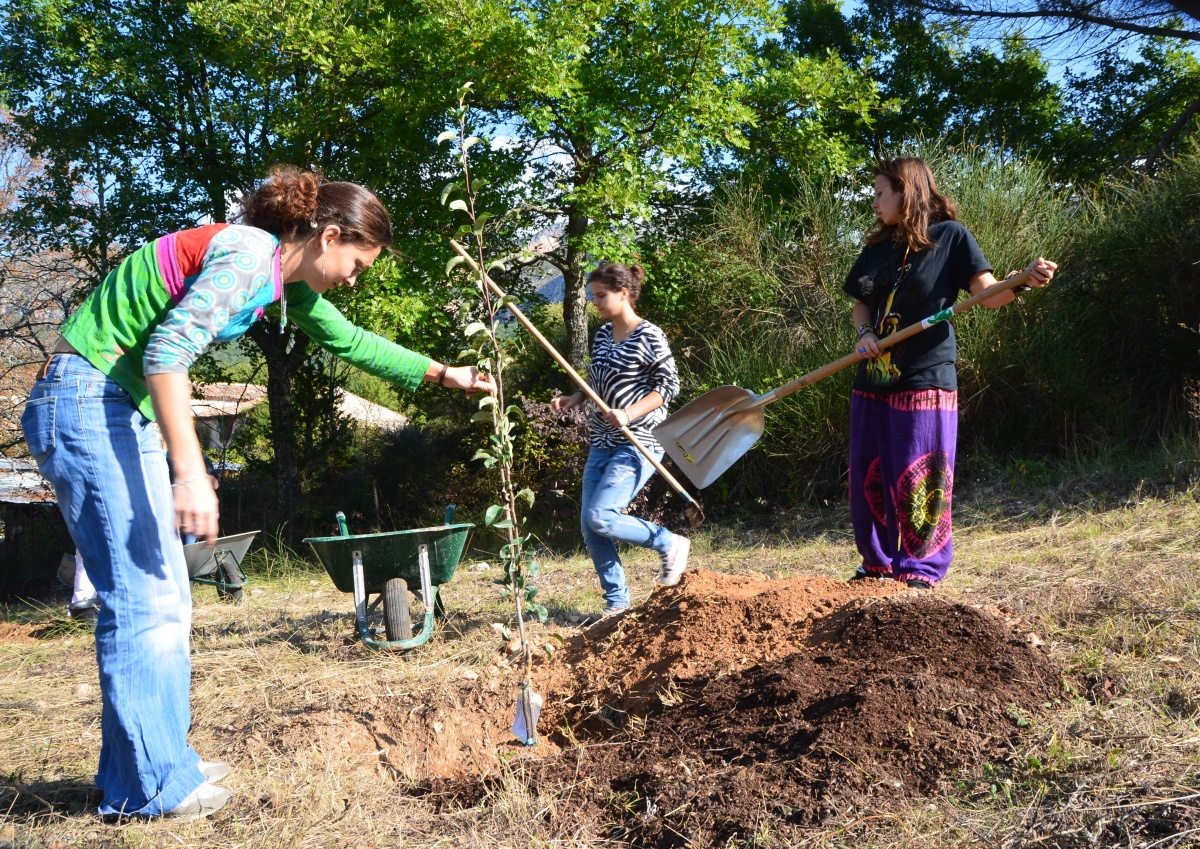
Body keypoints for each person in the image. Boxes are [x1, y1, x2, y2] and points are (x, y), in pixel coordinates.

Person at [21, 167, 493, 820]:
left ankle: (143, 770)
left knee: (163, 594)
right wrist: (192, 471)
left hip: (112, 404)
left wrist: (445, 374)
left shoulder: (275, 278)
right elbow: (166, 352)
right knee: (146, 597)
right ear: (330, 236)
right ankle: (154, 785)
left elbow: (349, 341)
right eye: (357, 263)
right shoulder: (248, 256)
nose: (354, 280)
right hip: (87, 399)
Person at [843, 156, 1056, 590]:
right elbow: (860, 301)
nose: (874, 202)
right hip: (873, 381)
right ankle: (878, 564)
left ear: (906, 191)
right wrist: (864, 333)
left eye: (881, 192)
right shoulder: (875, 248)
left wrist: (1021, 281)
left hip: (925, 376)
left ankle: (920, 569)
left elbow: (987, 295)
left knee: (922, 473)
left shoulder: (950, 238)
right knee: (869, 476)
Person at [551, 263, 690, 616]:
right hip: (603, 439)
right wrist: (574, 399)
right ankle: (617, 604)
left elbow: (668, 387)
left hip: (639, 439)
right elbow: (596, 382)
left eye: (600, 296)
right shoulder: (601, 335)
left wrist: (629, 413)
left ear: (623, 293)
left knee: (602, 515)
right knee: (590, 528)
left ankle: (669, 543)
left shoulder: (650, 335)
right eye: (592, 296)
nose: (594, 302)